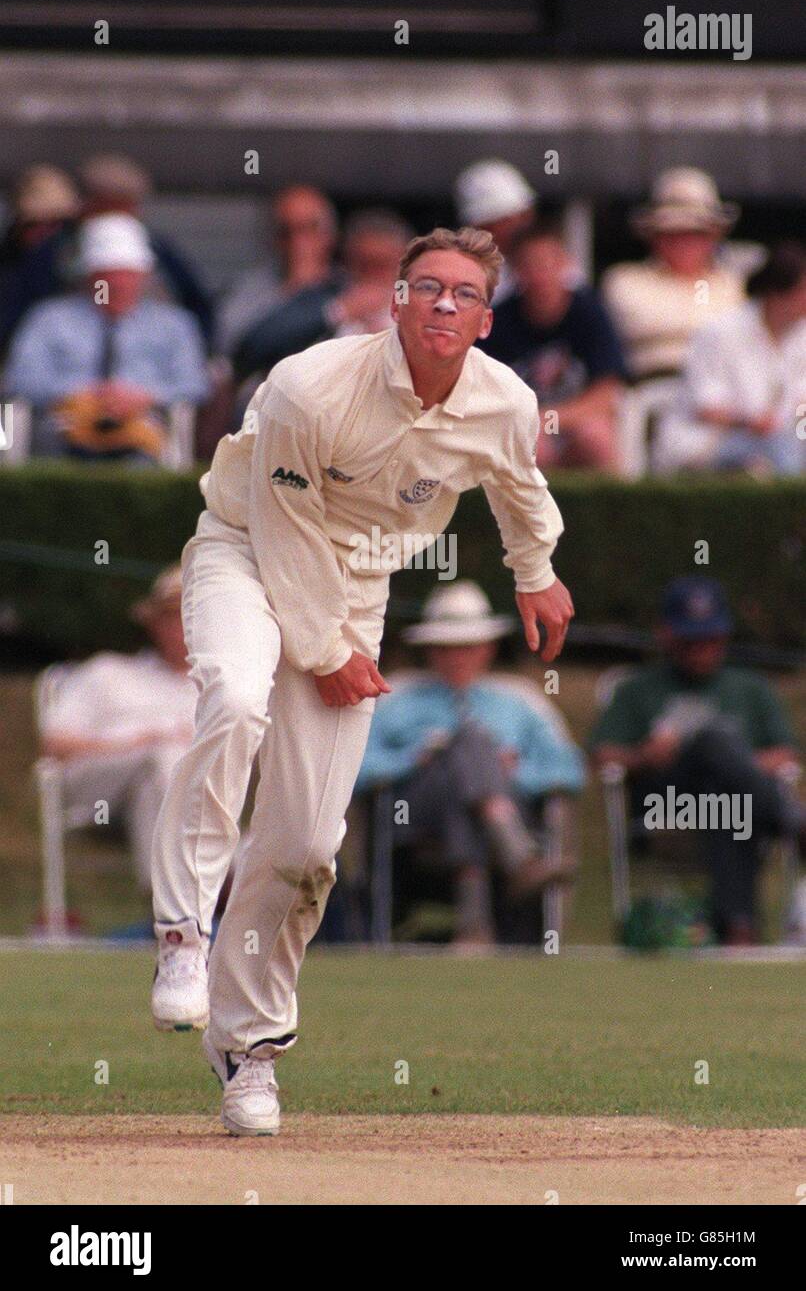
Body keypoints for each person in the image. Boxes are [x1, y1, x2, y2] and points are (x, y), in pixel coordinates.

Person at [149, 224, 574, 1137]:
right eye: (428, 287)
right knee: (234, 696)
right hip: (246, 554)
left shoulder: (502, 401)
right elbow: (283, 526)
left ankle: (247, 1051)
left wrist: (535, 571)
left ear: (486, 320)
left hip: (358, 589)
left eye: (463, 293)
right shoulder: (310, 383)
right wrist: (326, 648)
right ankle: (183, 933)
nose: (443, 305)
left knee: (305, 846)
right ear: (397, 299)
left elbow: (520, 487)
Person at [355, 581, 584, 944]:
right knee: (467, 745)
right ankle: (518, 857)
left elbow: (568, 770)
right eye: (446, 649)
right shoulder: (397, 696)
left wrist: (514, 771)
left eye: (467, 648)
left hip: (498, 808)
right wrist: (411, 758)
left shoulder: (520, 701)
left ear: (487, 648)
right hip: (414, 817)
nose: (457, 658)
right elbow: (354, 769)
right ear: (429, 650)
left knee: (469, 766)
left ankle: (473, 927)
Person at [589, 577, 801, 945]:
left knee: (727, 792)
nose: (702, 650)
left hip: (733, 806)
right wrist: (643, 754)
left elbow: (785, 753)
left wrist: (736, 764)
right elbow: (601, 753)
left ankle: (737, 931)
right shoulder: (636, 688)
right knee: (713, 745)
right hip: (664, 805)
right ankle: (793, 823)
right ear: (666, 635)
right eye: (691, 641)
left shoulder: (749, 688)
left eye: (711, 639)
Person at [38, 567, 197, 896]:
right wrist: (139, 744)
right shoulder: (109, 671)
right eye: (174, 616)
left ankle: (175, 908)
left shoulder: (216, 689)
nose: (184, 625)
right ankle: (180, 898)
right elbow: (55, 743)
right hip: (97, 789)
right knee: (162, 758)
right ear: (154, 623)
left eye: (193, 613)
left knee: (157, 780)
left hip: (176, 794)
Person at [2, 213, 210, 463]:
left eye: (126, 274)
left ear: (144, 276)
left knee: (145, 449)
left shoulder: (174, 324)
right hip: (64, 426)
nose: (118, 283)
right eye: (108, 274)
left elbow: (194, 383)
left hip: (143, 427)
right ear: (88, 275)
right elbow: (20, 379)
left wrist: (144, 396)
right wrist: (78, 395)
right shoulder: (49, 319)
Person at [485, 218, 628, 471]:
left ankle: (610, 510)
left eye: (548, 263)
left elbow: (607, 394)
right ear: (515, 270)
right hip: (518, 424)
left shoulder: (590, 313)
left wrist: (548, 419)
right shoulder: (497, 321)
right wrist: (531, 424)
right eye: (530, 265)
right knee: (533, 447)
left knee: (597, 437)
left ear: (565, 263)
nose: (541, 274)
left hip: (575, 420)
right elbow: (487, 393)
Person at [657, 242, 806, 476]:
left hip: (779, 442)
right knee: (779, 450)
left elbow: (799, 406)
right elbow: (705, 407)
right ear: (778, 292)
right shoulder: (719, 332)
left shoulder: (801, 335)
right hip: (706, 442)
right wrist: (751, 423)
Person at [232, 207, 413, 386]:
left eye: (381, 265)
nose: (372, 276)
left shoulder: (417, 304)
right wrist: (340, 310)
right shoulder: (327, 295)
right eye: (364, 265)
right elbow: (256, 345)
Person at [601, 167, 745, 384]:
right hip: (647, 393)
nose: (683, 242)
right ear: (653, 235)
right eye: (672, 232)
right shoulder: (624, 280)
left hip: (722, 397)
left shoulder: (732, 284)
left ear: (714, 235)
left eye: (696, 233)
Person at [79, 153, 215, 347]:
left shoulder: (158, 250)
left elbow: (196, 303)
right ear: (89, 206)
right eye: (107, 207)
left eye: (124, 207)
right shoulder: (59, 249)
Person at [217, 184, 339, 356]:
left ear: (330, 235)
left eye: (309, 228)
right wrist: (296, 289)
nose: (297, 242)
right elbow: (234, 345)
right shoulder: (248, 290)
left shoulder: (348, 286)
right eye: (285, 231)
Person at [0, 165, 80, 356]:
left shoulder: (85, 260)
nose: (45, 232)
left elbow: (103, 303)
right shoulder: (9, 259)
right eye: (33, 224)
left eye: (57, 223)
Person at [454, 159, 537, 304]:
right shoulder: (464, 274)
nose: (520, 226)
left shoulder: (554, 262)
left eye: (523, 216)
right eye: (506, 220)